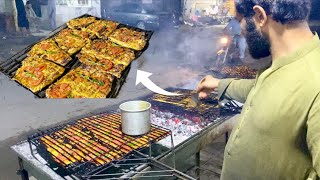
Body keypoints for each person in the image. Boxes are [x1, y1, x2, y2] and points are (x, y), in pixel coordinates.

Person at [197, 0, 320, 179]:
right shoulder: (287, 62)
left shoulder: (315, 82)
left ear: (260, 16)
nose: (241, 29)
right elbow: (267, 90)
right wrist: (219, 84)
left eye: (241, 21)